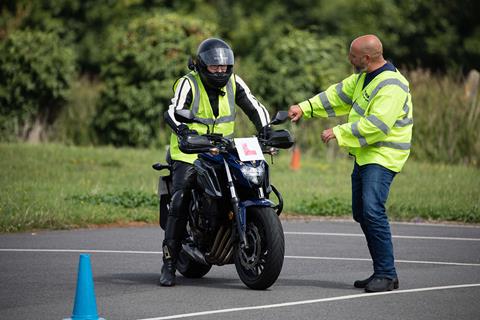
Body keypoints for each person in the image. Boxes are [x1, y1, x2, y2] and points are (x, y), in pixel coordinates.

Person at [288, 34, 413, 292]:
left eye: (352, 55)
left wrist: (339, 132)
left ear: (366, 58)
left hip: (383, 155)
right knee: (361, 212)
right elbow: (335, 96)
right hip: (365, 154)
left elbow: (378, 125)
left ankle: (387, 274)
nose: (349, 59)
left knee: (371, 210)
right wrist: (304, 107)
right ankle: (382, 271)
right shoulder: (362, 78)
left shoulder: (392, 85)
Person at [161, 38, 272, 286]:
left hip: (223, 148)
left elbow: (254, 106)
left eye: (225, 67)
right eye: (215, 67)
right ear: (202, 65)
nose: (221, 71)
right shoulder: (188, 82)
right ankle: (169, 262)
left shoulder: (234, 81)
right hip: (190, 150)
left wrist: (267, 130)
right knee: (181, 198)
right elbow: (172, 110)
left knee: (250, 178)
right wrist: (182, 131)